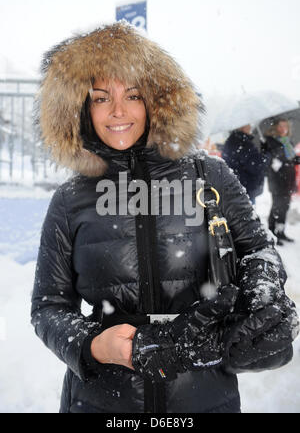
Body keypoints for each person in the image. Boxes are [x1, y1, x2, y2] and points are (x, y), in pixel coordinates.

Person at [31, 23, 299, 414]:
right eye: (101, 98)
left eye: (133, 95)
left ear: (157, 100)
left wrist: (260, 292)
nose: (118, 111)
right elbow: (48, 306)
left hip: (207, 394)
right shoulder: (70, 199)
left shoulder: (209, 175)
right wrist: (91, 345)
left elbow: (259, 250)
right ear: (82, 109)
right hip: (101, 403)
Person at [263, 118, 300, 245]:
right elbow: (270, 159)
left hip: (289, 181)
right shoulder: (270, 141)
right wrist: (276, 158)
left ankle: (281, 232)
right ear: (275, 128)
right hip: (277, 181)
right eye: (280, 126)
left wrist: (297, 159)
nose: (283, 128)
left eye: (285, 126)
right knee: (277, 208)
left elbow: (292, 159)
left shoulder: (287, 141)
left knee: (285, 208)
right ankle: (272, 234)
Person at [222, 125, 267, 205]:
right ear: (242, 127)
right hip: (246, 188)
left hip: (235, 187)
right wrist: (265, 154)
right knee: (248, 214)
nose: (250, 127)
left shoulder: (230, 141)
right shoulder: (244, 143)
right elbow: (256, 166)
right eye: (248, 125)